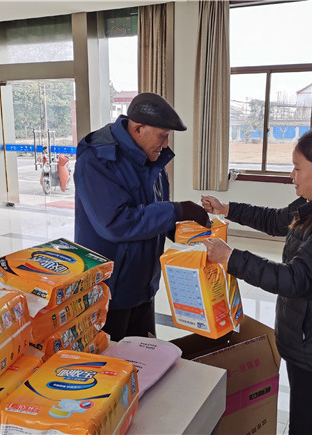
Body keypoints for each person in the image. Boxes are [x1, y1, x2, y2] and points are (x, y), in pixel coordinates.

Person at [201, 128, 312, 434]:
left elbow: (295, 278)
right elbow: (275, 219)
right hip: (307, 341)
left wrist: (231, 258)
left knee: (308, 428)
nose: (291, 176)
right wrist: (227, 210)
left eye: (297, 168)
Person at [74, 92, 210, 342]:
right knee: (113, 359)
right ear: (138, 129)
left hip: (142, 286)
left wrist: (188, 231)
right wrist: (176, 210)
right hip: (109, 291)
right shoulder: (98, 160)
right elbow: (115, 224)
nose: (165, 145)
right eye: (162, 135)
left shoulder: (151, 160)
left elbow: (152, 213)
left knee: (146, 357)